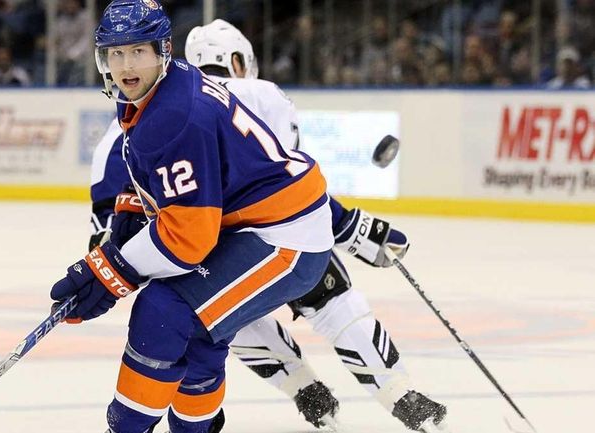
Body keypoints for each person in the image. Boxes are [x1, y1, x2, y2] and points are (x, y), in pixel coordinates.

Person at [89, 17, 449, 433]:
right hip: (273, 240)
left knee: (216, 316)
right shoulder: (261, 96)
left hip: (199, 250)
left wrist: (112, 259)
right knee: (334, 301)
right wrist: (354, 227)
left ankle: (304, 389)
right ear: (239, 61)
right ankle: (400, 395)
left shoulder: (137, 119)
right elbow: (280, 183)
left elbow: (111, 215)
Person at [50, 1, 341, 432]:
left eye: (137, 52)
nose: (126, 65)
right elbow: (169, 182)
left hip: (285, 237)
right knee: (201, 333)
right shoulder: (161, 87)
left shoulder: (174, 115)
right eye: (115, 53)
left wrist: (114, 269)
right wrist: (126, 228)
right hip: (254, 222)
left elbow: (189, 240)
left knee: (163, 310)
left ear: (162, 51)